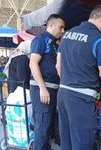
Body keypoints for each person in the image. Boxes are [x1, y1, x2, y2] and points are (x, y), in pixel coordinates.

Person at [56, 4, 101, 150]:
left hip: (62, 94)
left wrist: (70, 82)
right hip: (81, 100)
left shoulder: (67, 35)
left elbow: (58, 67)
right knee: (82, 144)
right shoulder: (99, 41)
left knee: (67, 142)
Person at [29, 14, 65, 150]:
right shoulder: (40, 40)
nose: (63, 31)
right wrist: (42, 88)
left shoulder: (55, 44)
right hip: (42, 89)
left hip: (53, 88)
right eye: (61, 27)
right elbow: (33, 64)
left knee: (47, 125)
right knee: (42, 126)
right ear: (51, 25)